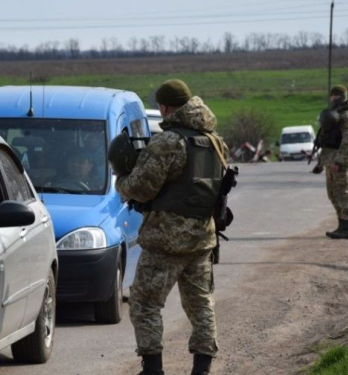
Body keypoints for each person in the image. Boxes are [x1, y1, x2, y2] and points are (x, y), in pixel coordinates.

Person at [112, 79, 227, 375]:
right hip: (203, 238)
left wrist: (121, 180)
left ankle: (153, 369)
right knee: (201, 304)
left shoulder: (168, 142)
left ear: (164, 107)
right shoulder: (215, 140)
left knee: (145, 303)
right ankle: (202, 369)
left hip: (165, 239)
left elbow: (142, 187)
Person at [312, 85, 348, 239]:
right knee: (333, 194)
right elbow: (328, 141)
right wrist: (321, 162)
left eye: (335, 96)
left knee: (342, 192)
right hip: (331, 159)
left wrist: (339, 161)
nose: (332, 99)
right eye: (331, 96)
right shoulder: (336, 113)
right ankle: (341, 225)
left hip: (340, 160)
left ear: (342, 96)